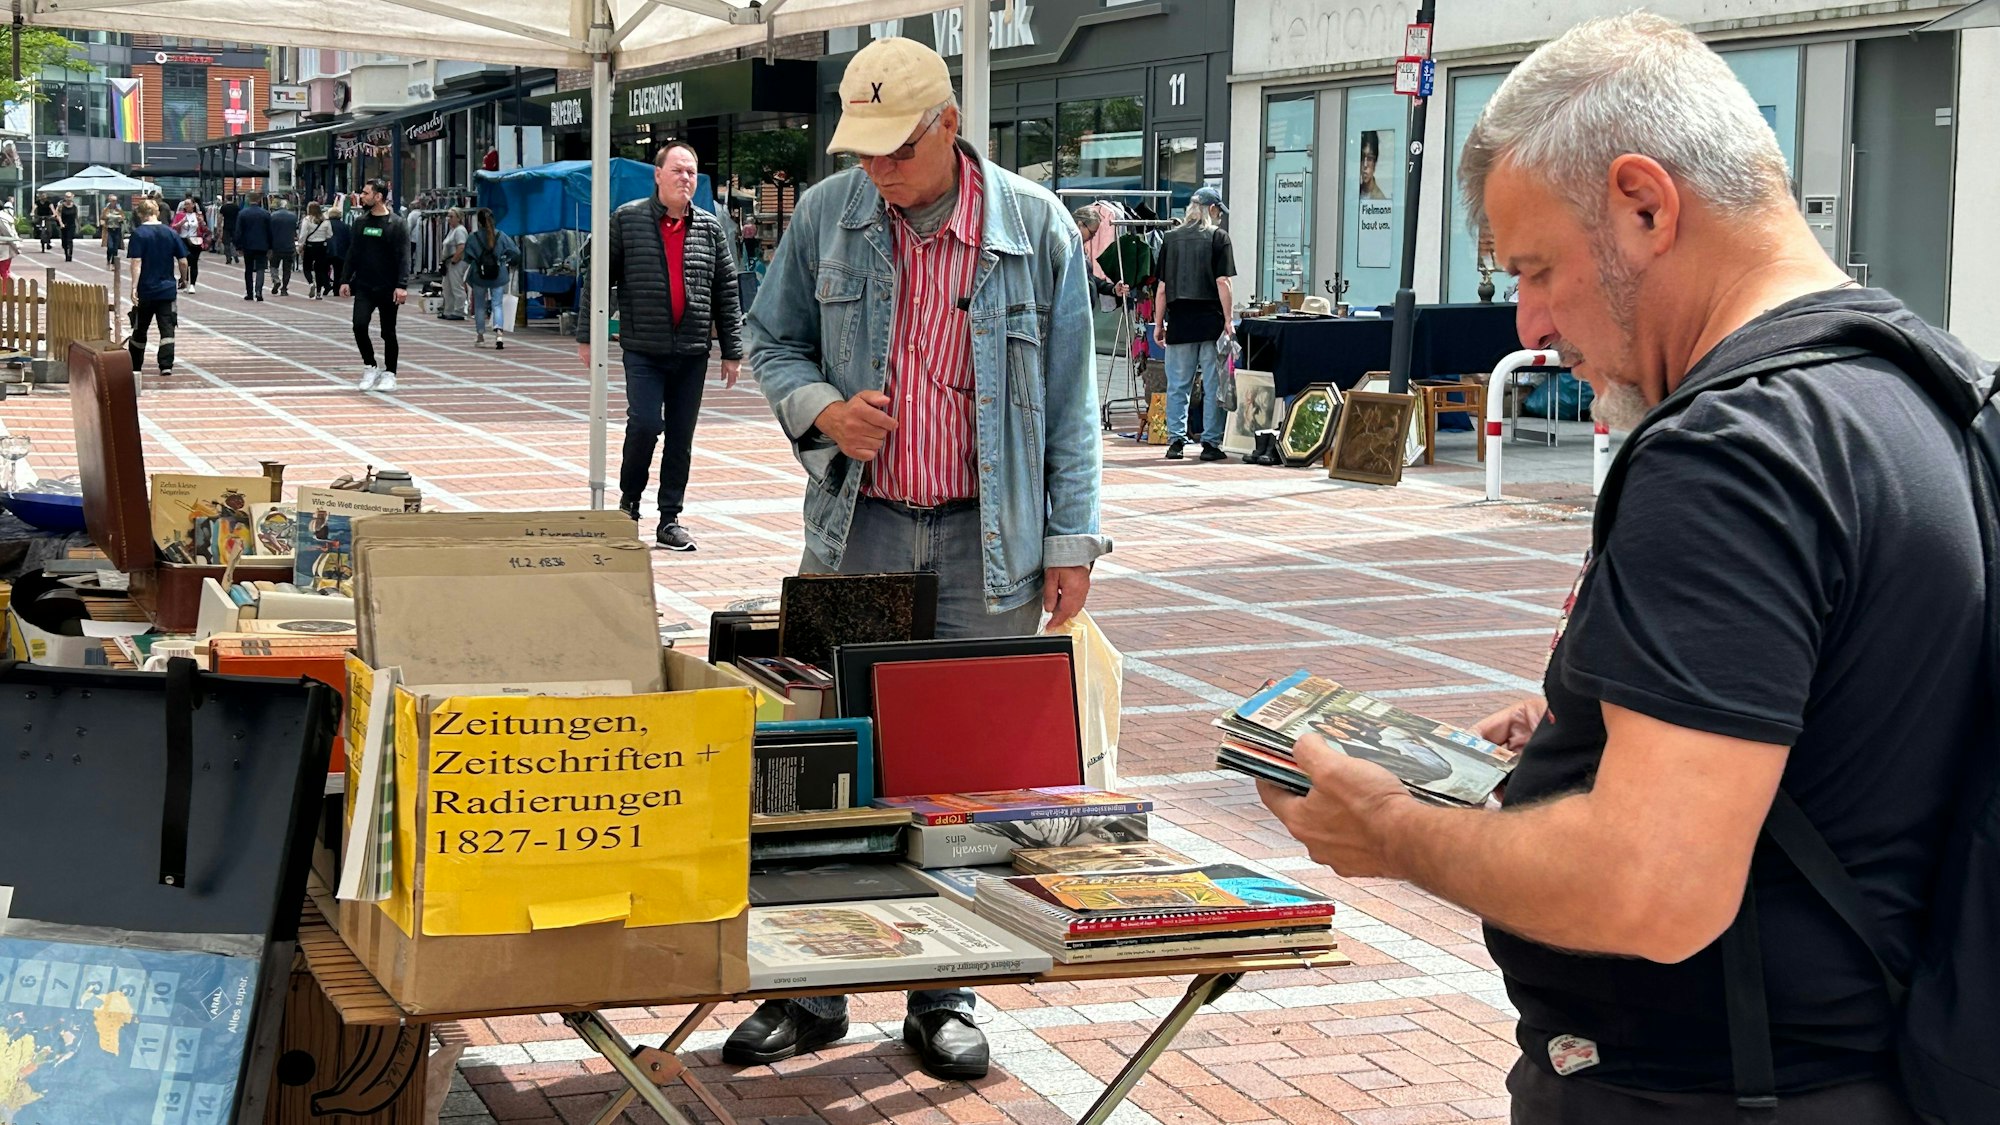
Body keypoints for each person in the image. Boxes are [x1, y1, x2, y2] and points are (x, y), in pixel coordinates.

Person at [1257, 13, 1988, 1123]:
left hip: (1719, 1093)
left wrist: (1393, 830)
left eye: (1536, 268)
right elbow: (1868, 720)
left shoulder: (1730, 452)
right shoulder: (1923, 388)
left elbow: (1653, 890)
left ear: (1645, 205)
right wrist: (1610, 726)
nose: (1528, 320)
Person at [739, 37, 1107, 1081]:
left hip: (989, 542)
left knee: (962, 779)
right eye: (863, 150)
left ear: (949, 124)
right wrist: (822, 408)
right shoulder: (828, 214)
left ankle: (943, 993)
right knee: (830, 760)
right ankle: (811, 986)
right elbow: (770, 339)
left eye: (897, 149)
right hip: (858, 528)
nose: (879, 169)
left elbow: (1073, 400)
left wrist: (1071, 540)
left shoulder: (1034, 226)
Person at [576, 142, 742, 551]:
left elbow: (726, 290)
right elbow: (599, 279)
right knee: (646, 424)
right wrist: (588, 335)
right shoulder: (627, 219)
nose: (685, 178)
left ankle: (670, 519)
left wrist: (732, 350)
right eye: (678, 170)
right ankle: (629, 504)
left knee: (681, 438)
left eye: (691, 172)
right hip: (643, 348)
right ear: (658, 174)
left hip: (692, 351)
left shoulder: (710, 228)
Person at [1151, 186, 1236, 462]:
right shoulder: (1219, 238)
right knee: (1213, 385)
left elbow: (1162, 288)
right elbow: (1223, 282)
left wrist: (1158, 323)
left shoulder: (1170, 238)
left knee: (1178, 385)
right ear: (1211, 209)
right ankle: (1210, 444)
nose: (1220, 217)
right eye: (1218, 211)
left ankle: (1176, 441)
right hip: (1211, 322)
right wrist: (1228, 319)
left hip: (1180, 322)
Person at [336, 179, 409, 393]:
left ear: (378, 196)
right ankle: (370, 366)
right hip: (365, 286)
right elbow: (353, 253)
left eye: (366, 193)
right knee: (359, 326)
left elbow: (404, 256)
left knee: (388, 332)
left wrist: (402, 285)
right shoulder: (361, 223)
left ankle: (390, 373)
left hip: (388, 287)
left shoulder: (396, 223)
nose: (362, 196)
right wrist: (345, 279)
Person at [126, 198, 185, 379]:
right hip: (167, 289)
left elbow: (136, 262)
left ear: (140, 214)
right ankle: (166, 364)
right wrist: (184, 279)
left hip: (146, 289)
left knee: (140, 327)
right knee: (167, 328)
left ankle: (135, 364)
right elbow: (183, 261)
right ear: (157, 212)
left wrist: (134, 287)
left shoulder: (138, 234)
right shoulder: (170, 233)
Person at [464, 208, 519, 350]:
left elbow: (467, 257)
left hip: (479, 275)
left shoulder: (473, 237)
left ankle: (480, 336)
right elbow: (515, 252)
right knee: (497, 304)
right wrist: (504, 260)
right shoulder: (501, 235)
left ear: (478, 222)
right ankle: (499, 334)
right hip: (498, 274)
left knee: (479, 306)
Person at [234, 193, 272, 302]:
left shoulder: (242, 214)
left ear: (248, 200)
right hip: (262, 245)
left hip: (248, 245)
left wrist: (238, 246)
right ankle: (259, 291)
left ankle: (249, 293)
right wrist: (270, 246)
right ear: (259, 200)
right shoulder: (265, 214)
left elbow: (238, 231)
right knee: (261, 268)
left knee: (248, 269)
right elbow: (270, 231)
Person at [437, 209, 468, 321]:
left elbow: (461, 247)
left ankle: (459, 311)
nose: (449, 219)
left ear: (458, 218)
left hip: (456, 262)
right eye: (448, 216)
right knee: (447, 287)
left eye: (451, 217)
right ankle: (449, 310)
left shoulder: (460, 230)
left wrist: (454, 260)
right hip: (448, 262)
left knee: (456, 286)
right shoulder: (452, 230)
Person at [299, 201, 334, 298]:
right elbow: (330, 234)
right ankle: (319, 292)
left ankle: (311, 283)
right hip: (322, 246)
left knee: (307, 267)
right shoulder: (326, 220)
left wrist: (301, 245)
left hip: (310, 245)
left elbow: (303, 234)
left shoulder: (307, 220)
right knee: (320, 269)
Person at [172, 198, 207, 290]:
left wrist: (202, 222)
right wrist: (181, 223)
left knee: (194, 262)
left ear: (193, 205)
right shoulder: (180, 215)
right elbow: (173, 227)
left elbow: (204, 229)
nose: (186, 206)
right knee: (185, 261)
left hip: (195, 240)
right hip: (183, 240)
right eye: (185, 204)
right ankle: (184, 280)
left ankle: (192, 285)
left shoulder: (198, 215)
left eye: (188, 204)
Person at [268, 197, 299, 297]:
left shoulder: (272, 216)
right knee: (287, 269)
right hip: (289, 246)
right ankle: (284, 288)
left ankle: (276, 279)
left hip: (275, 246)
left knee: (273, 265)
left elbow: (269, 231)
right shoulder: (293, 216)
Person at [327, 196, 352, 298]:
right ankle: (336, 290)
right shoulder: (345, 226)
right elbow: (349, 240)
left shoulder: (326, 224)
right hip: (341, 252)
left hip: (327, 251)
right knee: (338, 272)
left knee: (323, 269)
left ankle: (326, 285)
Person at [1358, 130, 1390, 200]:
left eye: (1370, 159)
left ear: (1375, 163)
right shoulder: (1353, 193)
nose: (1365, 165)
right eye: (1362, 157)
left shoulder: (1380, 199)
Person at [100, 200, 126, 268]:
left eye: (115, 201)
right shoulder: (106, 209)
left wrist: (120, 219)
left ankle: (113, 263)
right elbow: (102, 218)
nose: (114, 202)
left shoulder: (119, 209)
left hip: (117, 230)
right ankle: (108, 260)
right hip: (109, 230)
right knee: (110, 247)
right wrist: (103, 223)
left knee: (115, 248)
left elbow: (123, 217)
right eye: (112, 201)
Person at [216, 195, 239, 264]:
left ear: (226, 199)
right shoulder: (236, 207)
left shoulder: (224, 207)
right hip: (234, 227)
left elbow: (220, 217)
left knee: (226, 243)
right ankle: (235, 255)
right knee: (234, 242)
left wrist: (218, 227)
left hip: (226, 227)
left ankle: (228, 258)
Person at [0, 201, 20, 280]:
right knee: (4, 271)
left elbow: (8, 234)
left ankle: (5, 287)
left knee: (4, 271)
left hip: (4, 248)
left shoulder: (2, 218)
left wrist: (15, 246)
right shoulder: (4, 217)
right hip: (4, 248)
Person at [57, 193, 77, 262]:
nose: (68, 198)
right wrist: (61, 223)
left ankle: (70, 254)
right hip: (64, 225)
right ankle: (66, 251)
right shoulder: (61, 206)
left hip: (72, 225)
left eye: (70, 197)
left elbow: (76, 216)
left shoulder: (74, 206)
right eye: (67, 197)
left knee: (70, 240)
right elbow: (59, 215)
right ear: (65, 198)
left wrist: (79, 225)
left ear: (72, 197)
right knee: (64, 241)